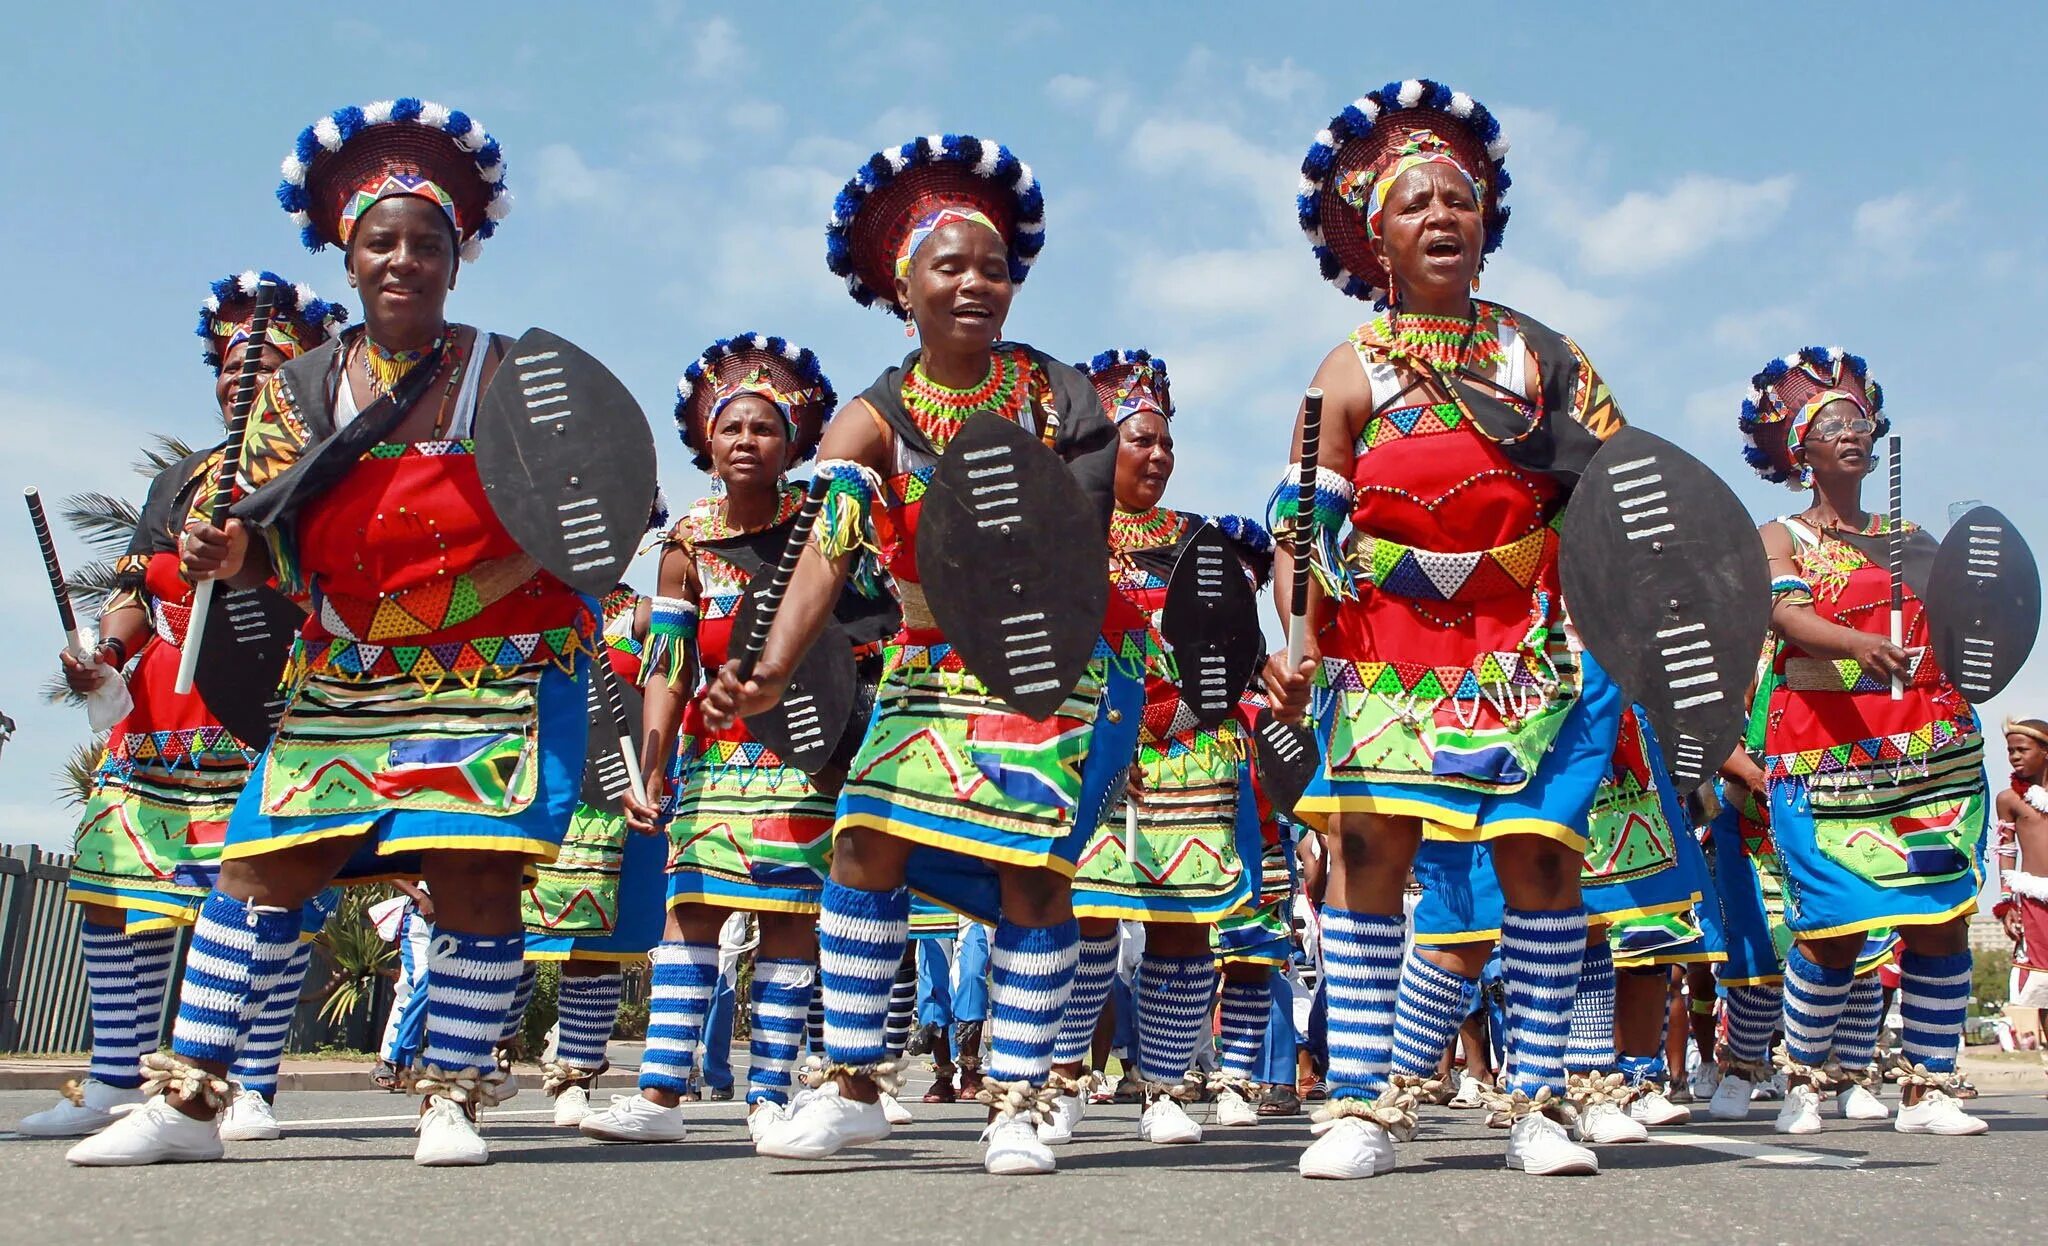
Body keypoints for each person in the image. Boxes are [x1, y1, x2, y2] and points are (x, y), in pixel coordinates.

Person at [71, 98, 590, 1169]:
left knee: (475, 873)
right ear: (346, 257)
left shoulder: (507, 371)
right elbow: (268, 547)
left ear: (459, 257)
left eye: (427, 243)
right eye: (380, 241)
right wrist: (232, 560)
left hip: (491, 666)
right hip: (344, 669)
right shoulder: (299, 389)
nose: (403, 259)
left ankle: (452, 1098)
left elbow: (583, 515)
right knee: (260, 863)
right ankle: (187, 1101)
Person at [701, 133, 1142, 1176]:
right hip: (923, 673)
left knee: (1030, 873)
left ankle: (1024, 1096)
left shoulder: (1057, 396)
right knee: (861, 841)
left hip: (1039, 663)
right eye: (947, 266)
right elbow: (826, 549)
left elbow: (1072, 531)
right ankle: (855, 1082)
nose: (973, 284)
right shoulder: (870, 420)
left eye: (990, 266)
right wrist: (771, 661)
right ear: (905, 287)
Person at [1269, 78, 1631, 1180]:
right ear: (1373, 234)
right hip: (1385, 648)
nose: (1440, 216)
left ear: (1485, 225)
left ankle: (1536, 1099)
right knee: (1374, 853)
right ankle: (1360, 1104)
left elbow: (1626, 499)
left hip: (1526, 647)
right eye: (1415, 203)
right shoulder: (1347, 369)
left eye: (1458, 201)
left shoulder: (1545, 358)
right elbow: (1305, 523)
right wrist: (1297, 646)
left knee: (1537, 859)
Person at [16, 274, 346, 1142]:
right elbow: (134, 589)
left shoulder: (328, 480)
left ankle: (250, 1083)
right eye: (230, 364)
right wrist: (105, 657)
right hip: (160, 717)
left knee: (267, 901)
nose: (243, 377)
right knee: (110, 891)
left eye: (265, 362)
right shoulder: (178, 482)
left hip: (273, 711)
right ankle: (113, 1078)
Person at [578, 331, 891, 1144]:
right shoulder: (684, 544)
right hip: (712, 761)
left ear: (792, 442)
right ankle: (658, 1099)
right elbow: (666, 667)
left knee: (789, 919)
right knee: (690, 913)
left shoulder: (827, 528)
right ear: (705, 443)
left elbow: (869, 636)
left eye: (764, 426)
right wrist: (650, 766)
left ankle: (770, 1097)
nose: (746, 440)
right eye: (731, 426)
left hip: (804, 754)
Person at [1738, 345, 1989, 1137]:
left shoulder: (1911, 534)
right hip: (1823, 757)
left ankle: (1930, 1084)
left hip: (1928, 749)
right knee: (1835, 927)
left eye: (1860, 420)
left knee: (1939, 915)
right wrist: (1856, 645)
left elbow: (1965, 619)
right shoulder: (1778, 534)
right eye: (1832, 423)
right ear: (1800, 450)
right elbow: (1783, 615)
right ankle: (1806, 1078)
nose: (1852, 430)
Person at [1045, 349, 1273, 1147]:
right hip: (1093, 758)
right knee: (1086, 921)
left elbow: (1233, 651)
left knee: (1183, 925)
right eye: (1141, 440)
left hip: (1188, 754)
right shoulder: (1064, 533)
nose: (1158, 455)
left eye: (1166, 442)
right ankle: (1064, 1076)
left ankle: (1164, 1087)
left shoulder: (1198, 544)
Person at [514, 580, 666, 1127]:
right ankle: (481, 1057)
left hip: (607, 799)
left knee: (596, 944)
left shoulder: (633, 612)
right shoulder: (522, 599)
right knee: (506, 935)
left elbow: (674, 651)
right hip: (530, 781)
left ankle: (574, 1076)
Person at [1993, 717, 2048, 1089]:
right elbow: (2004, 850)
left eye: (2022, 750)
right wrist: (2006, 904)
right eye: (2010, 750)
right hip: (2035, 903)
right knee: (2045, 987)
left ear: (2045, 752)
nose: (2014, 757)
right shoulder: (2009, 799)